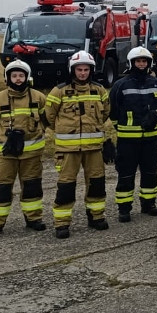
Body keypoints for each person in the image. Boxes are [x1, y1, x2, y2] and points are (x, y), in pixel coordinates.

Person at [44, 50, 115, 239]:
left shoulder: (99, 90)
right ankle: (62, 223)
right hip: (68, 151)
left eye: (86, 70)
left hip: (94, 149)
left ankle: (96, 216)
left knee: (97, 184)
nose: (82, 73)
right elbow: (49, 117)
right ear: (72, 70)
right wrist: (65, 131)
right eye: (79, 69)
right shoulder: (59, 91)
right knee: (66, 186)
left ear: (91, 70)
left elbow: (105, 112)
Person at [0, 59, 48, 238]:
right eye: (14, 76)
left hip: (31, 155)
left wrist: (38, 133)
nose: (18, 79)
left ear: (27, 77)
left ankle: (34, 219)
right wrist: (1, 138)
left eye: (21, 75)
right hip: (5, 155)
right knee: (1, 188)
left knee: (32, 187)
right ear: (7, 78)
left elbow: (46, 119)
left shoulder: (39, 98)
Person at [110, 46, 157, 221]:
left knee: (150, 173)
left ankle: (149, 204)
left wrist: (153, 117)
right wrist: (123, 127)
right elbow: (113, 111)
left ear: (149, 63)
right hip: (127, 140)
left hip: (150, 138)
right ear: (131, 63)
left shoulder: (155, 83)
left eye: (144, 61)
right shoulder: (120, 85)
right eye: (138, 61)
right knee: (126, 174)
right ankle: (124, 208)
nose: (141, 64)